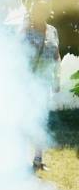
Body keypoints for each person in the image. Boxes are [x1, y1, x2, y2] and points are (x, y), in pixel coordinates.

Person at [25, 10, 61, 171]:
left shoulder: (53, 31)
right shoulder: (27, 32)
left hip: (45, 84)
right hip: (29, 84)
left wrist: (57, 79)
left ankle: (38, 159)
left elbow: (56, 55)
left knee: (42, 121)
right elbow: (19, 57)